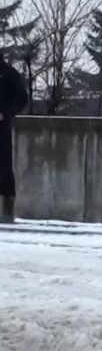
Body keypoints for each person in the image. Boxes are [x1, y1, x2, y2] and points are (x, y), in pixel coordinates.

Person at [0, 53, 28, 223]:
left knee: (3, 166)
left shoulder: (8, 73)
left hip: (1, 127)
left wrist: (4, 113)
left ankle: (7, 210)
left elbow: (21, 98)